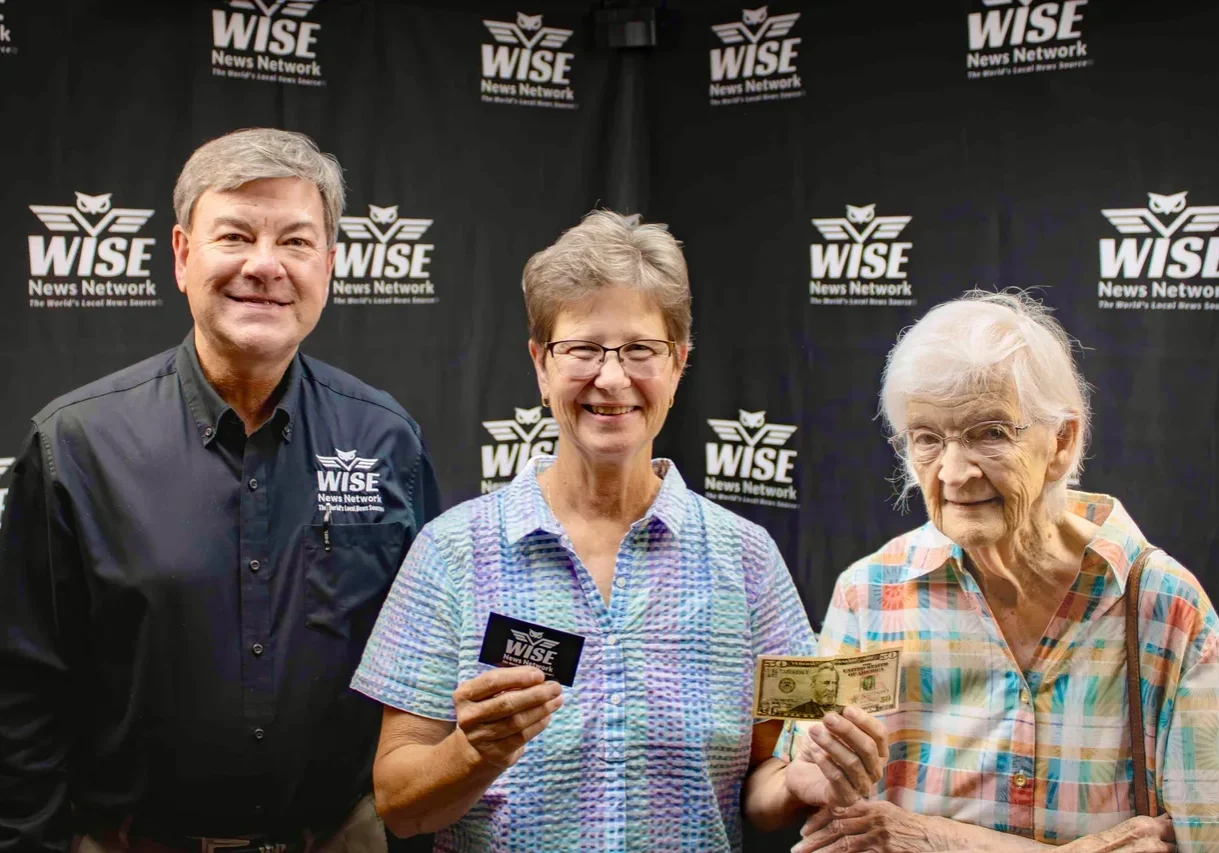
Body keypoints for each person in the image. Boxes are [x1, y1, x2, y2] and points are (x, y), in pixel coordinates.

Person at [350, 211, 888, 852]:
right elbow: (399, 806)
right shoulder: (451, 552)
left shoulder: (746, 559)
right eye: (582, 348)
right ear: (541, 366)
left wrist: (802, 779)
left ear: (679, 363)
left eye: (640, 350)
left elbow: (765, 780)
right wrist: (474, 752)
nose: (611, 378)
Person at [0, 128, 440, 853]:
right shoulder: (73, 445)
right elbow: (22, 691)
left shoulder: (386, 436)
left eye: (295, 242)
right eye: (234, 234)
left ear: (328, 266)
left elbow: (426, 662)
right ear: (180, 256)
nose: (264, 265)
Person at [779, 290, 1218, 853]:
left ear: (1061, 441)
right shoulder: (864, 592)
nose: (955, 473)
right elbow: (802, 784)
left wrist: (930, 840)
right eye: (928, 439)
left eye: (990, 433)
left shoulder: (1167, 608)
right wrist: (812, 771)